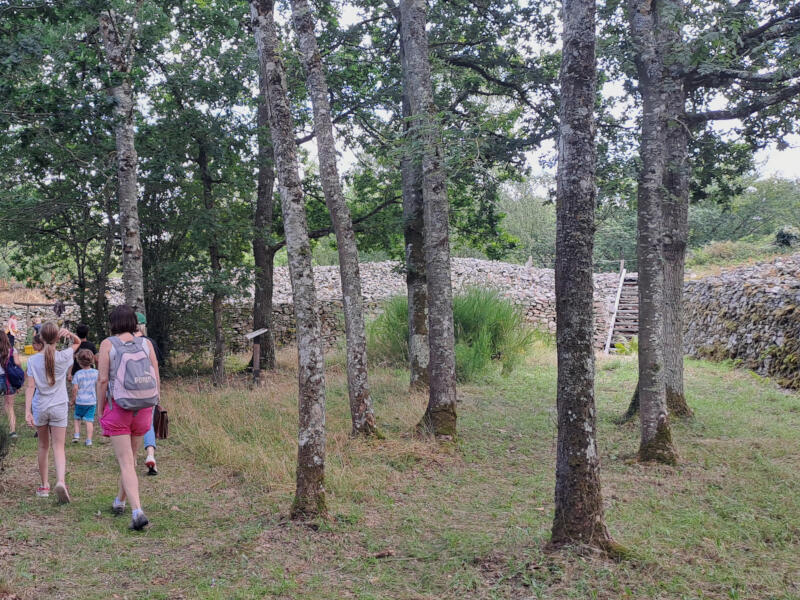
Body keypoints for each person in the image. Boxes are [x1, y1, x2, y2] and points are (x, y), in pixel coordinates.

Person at [97, 305, 159, 530]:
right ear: (134, 322)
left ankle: (137, 511)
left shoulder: (108, 344)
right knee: (130, 459)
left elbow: (103, 380)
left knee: (125, 462)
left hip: (119, 408)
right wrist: (155, 403)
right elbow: (155, 373)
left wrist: (100, 408)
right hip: (143, 407)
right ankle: (120, 501)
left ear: (113, 323)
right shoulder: (146, 343)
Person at [24, 322, 81, 502]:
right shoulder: (64, 356)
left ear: (40, 338)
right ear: (58, 338)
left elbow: (30, 387)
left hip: (40, 406)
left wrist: (28, 411)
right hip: (59, 406)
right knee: (59, 446)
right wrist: (70, 334)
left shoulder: (33, 360)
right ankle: (61, 481)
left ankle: (44, 486)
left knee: (43, 446)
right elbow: (78, 343)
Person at [135, 312, 162, 476]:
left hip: (129, 390)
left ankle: (130, 458)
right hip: (149, 388)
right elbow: (156, 367)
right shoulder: (149, 343)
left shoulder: (123, 343)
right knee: (148, 424)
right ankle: (150, 454)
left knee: (131, 425)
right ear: (143, 326)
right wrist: (158, 391)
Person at [71, 349, 98, 446]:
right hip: (91, 401)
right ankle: (89, 440)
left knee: (77, 418)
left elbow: (75, 388)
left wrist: (73, 400)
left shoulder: (78, 374)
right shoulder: (96, 373)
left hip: (80, 401)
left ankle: (77, 435)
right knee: (89, 421)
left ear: (79, 361)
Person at [1, 331, 22, 438]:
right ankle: (12, 431)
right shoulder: (12, 351)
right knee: (10, 406)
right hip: (9, 379)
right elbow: (18, 364)